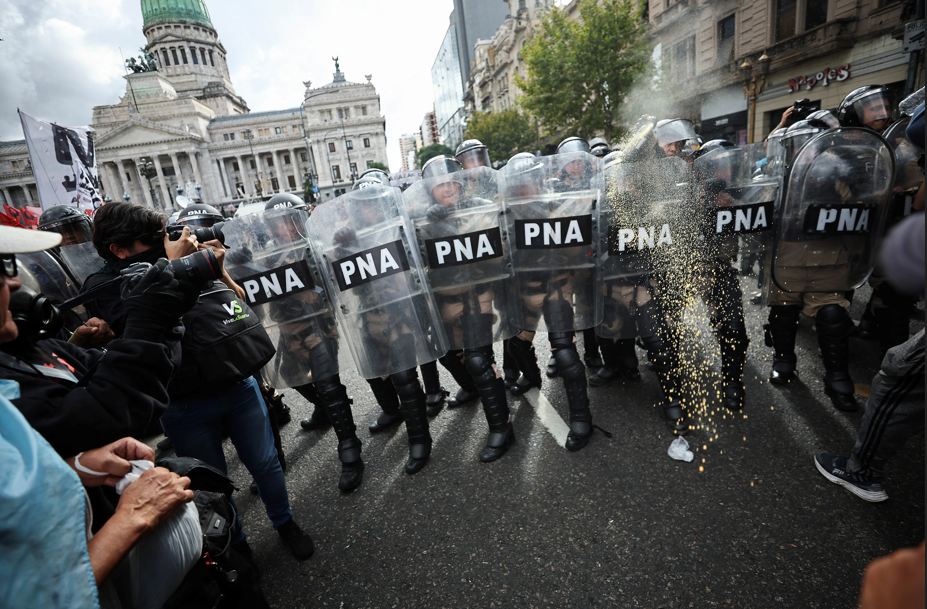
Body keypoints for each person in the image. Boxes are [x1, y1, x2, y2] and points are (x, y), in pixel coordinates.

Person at [86, 202, 314, 561]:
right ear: (118, 249)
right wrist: (174, 266)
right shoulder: (105, 284)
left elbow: (237, 301)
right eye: (152, 240)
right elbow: (142, 331)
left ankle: (285, 523)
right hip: (183, 401)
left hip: (235, 380)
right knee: (210, 482)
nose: (165, 242)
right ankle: (236, 546)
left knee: (266, 462)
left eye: (164, 235)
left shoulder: (179, 256)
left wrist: (215, 268)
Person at [0, 224, 199, 609]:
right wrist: (132, 520)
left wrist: (73, 464)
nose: (13, 284)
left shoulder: (37, 348)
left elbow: (123, 384)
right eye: (1, 267)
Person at [410, 155, 516, 461]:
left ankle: (502, 426)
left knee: (478, 359)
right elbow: (417, 260)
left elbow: (501, 248)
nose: (447, 189)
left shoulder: (481, 207)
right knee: (449, 356)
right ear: (430, 189)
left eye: (451, 182)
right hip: (445, 300)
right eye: (439, 185)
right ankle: (473, 388)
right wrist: (429, 226)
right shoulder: (424, 220)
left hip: (478, 296)